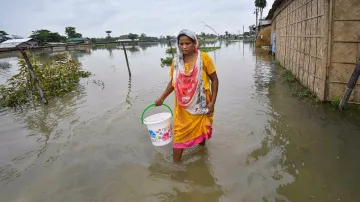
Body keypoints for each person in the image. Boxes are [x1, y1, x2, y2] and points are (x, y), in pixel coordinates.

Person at [155, 29, 219, 161]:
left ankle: (202, 155)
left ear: (194, 43)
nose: (184, 46)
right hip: (182, 106)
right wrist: (162, 97)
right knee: (179, 135)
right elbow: (173, 82)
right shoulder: (176, 61)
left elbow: (215, 80)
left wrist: (212, 102)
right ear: (178, 44)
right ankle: (176, 167)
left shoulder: (204, 58)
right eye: (181, 43)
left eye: (187, 43)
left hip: (202, 103)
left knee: (202, 129)